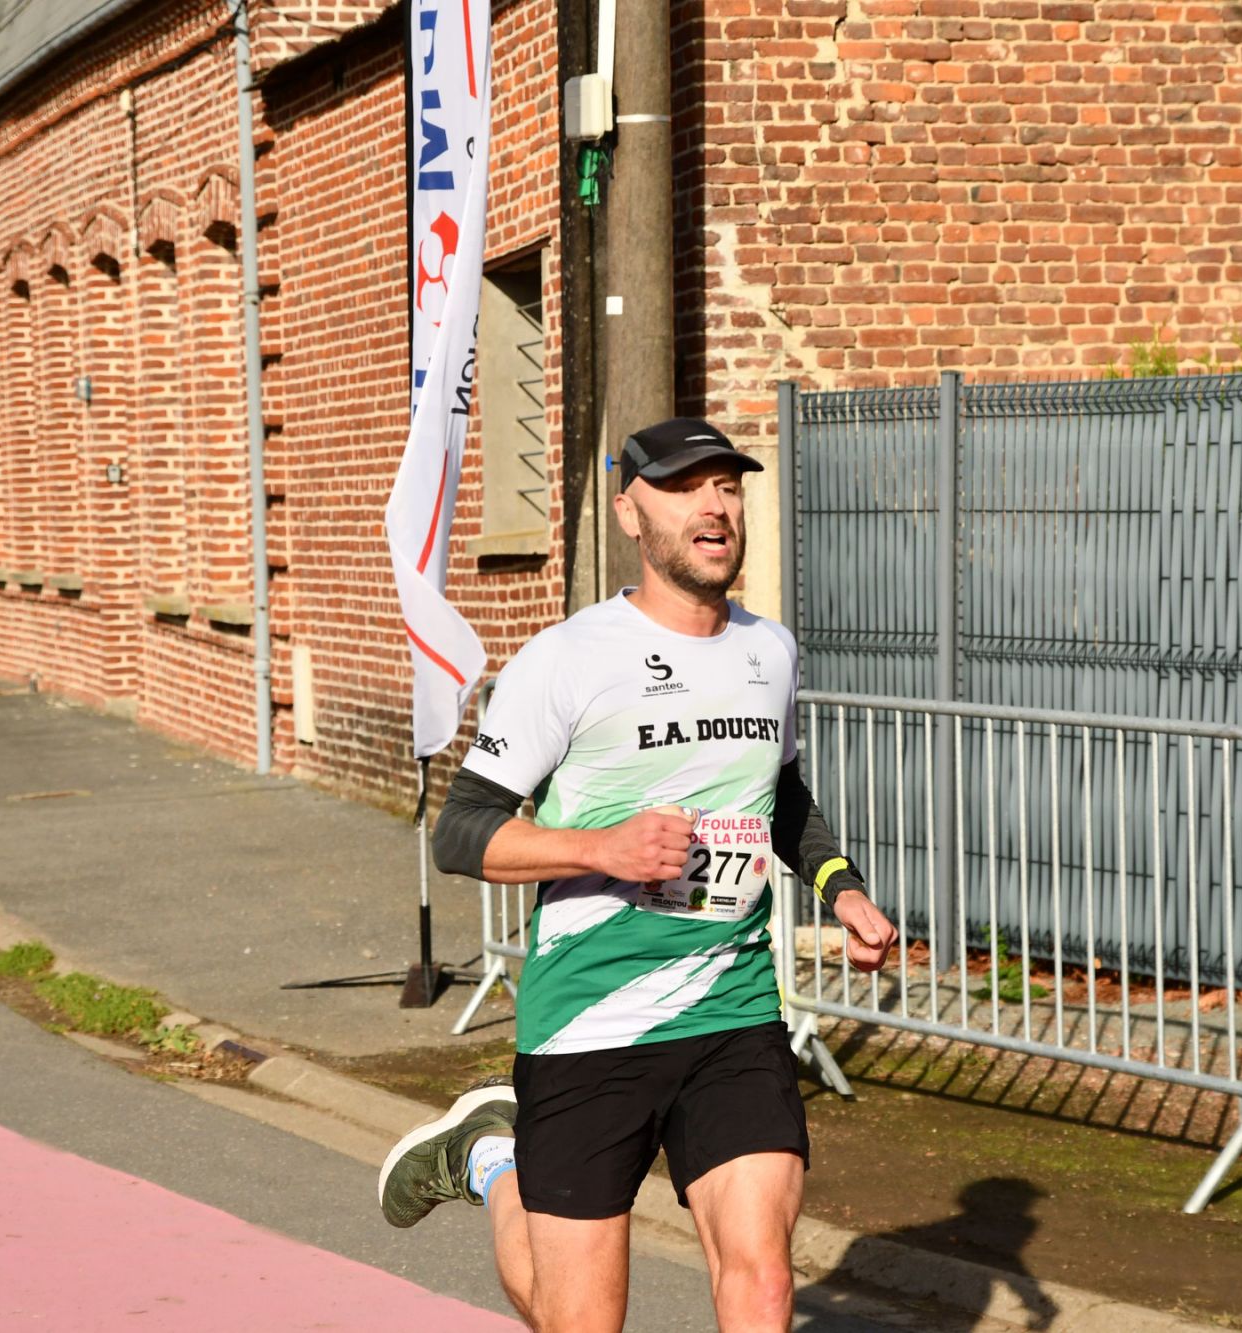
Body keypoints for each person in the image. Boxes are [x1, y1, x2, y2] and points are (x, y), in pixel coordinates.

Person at [378, 416, 896, 1332]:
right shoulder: (568, 659)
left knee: (764, 1283)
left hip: (731, 1008)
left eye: (727, 485)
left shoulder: (770, 651)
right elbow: (461, 831)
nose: (714, 505)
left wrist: (841, 888)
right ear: (630, 513)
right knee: (572, 1315)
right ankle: (490, 1160)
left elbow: (778, 793)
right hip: (590, 1018)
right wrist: (601, 848)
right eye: (685, 487)